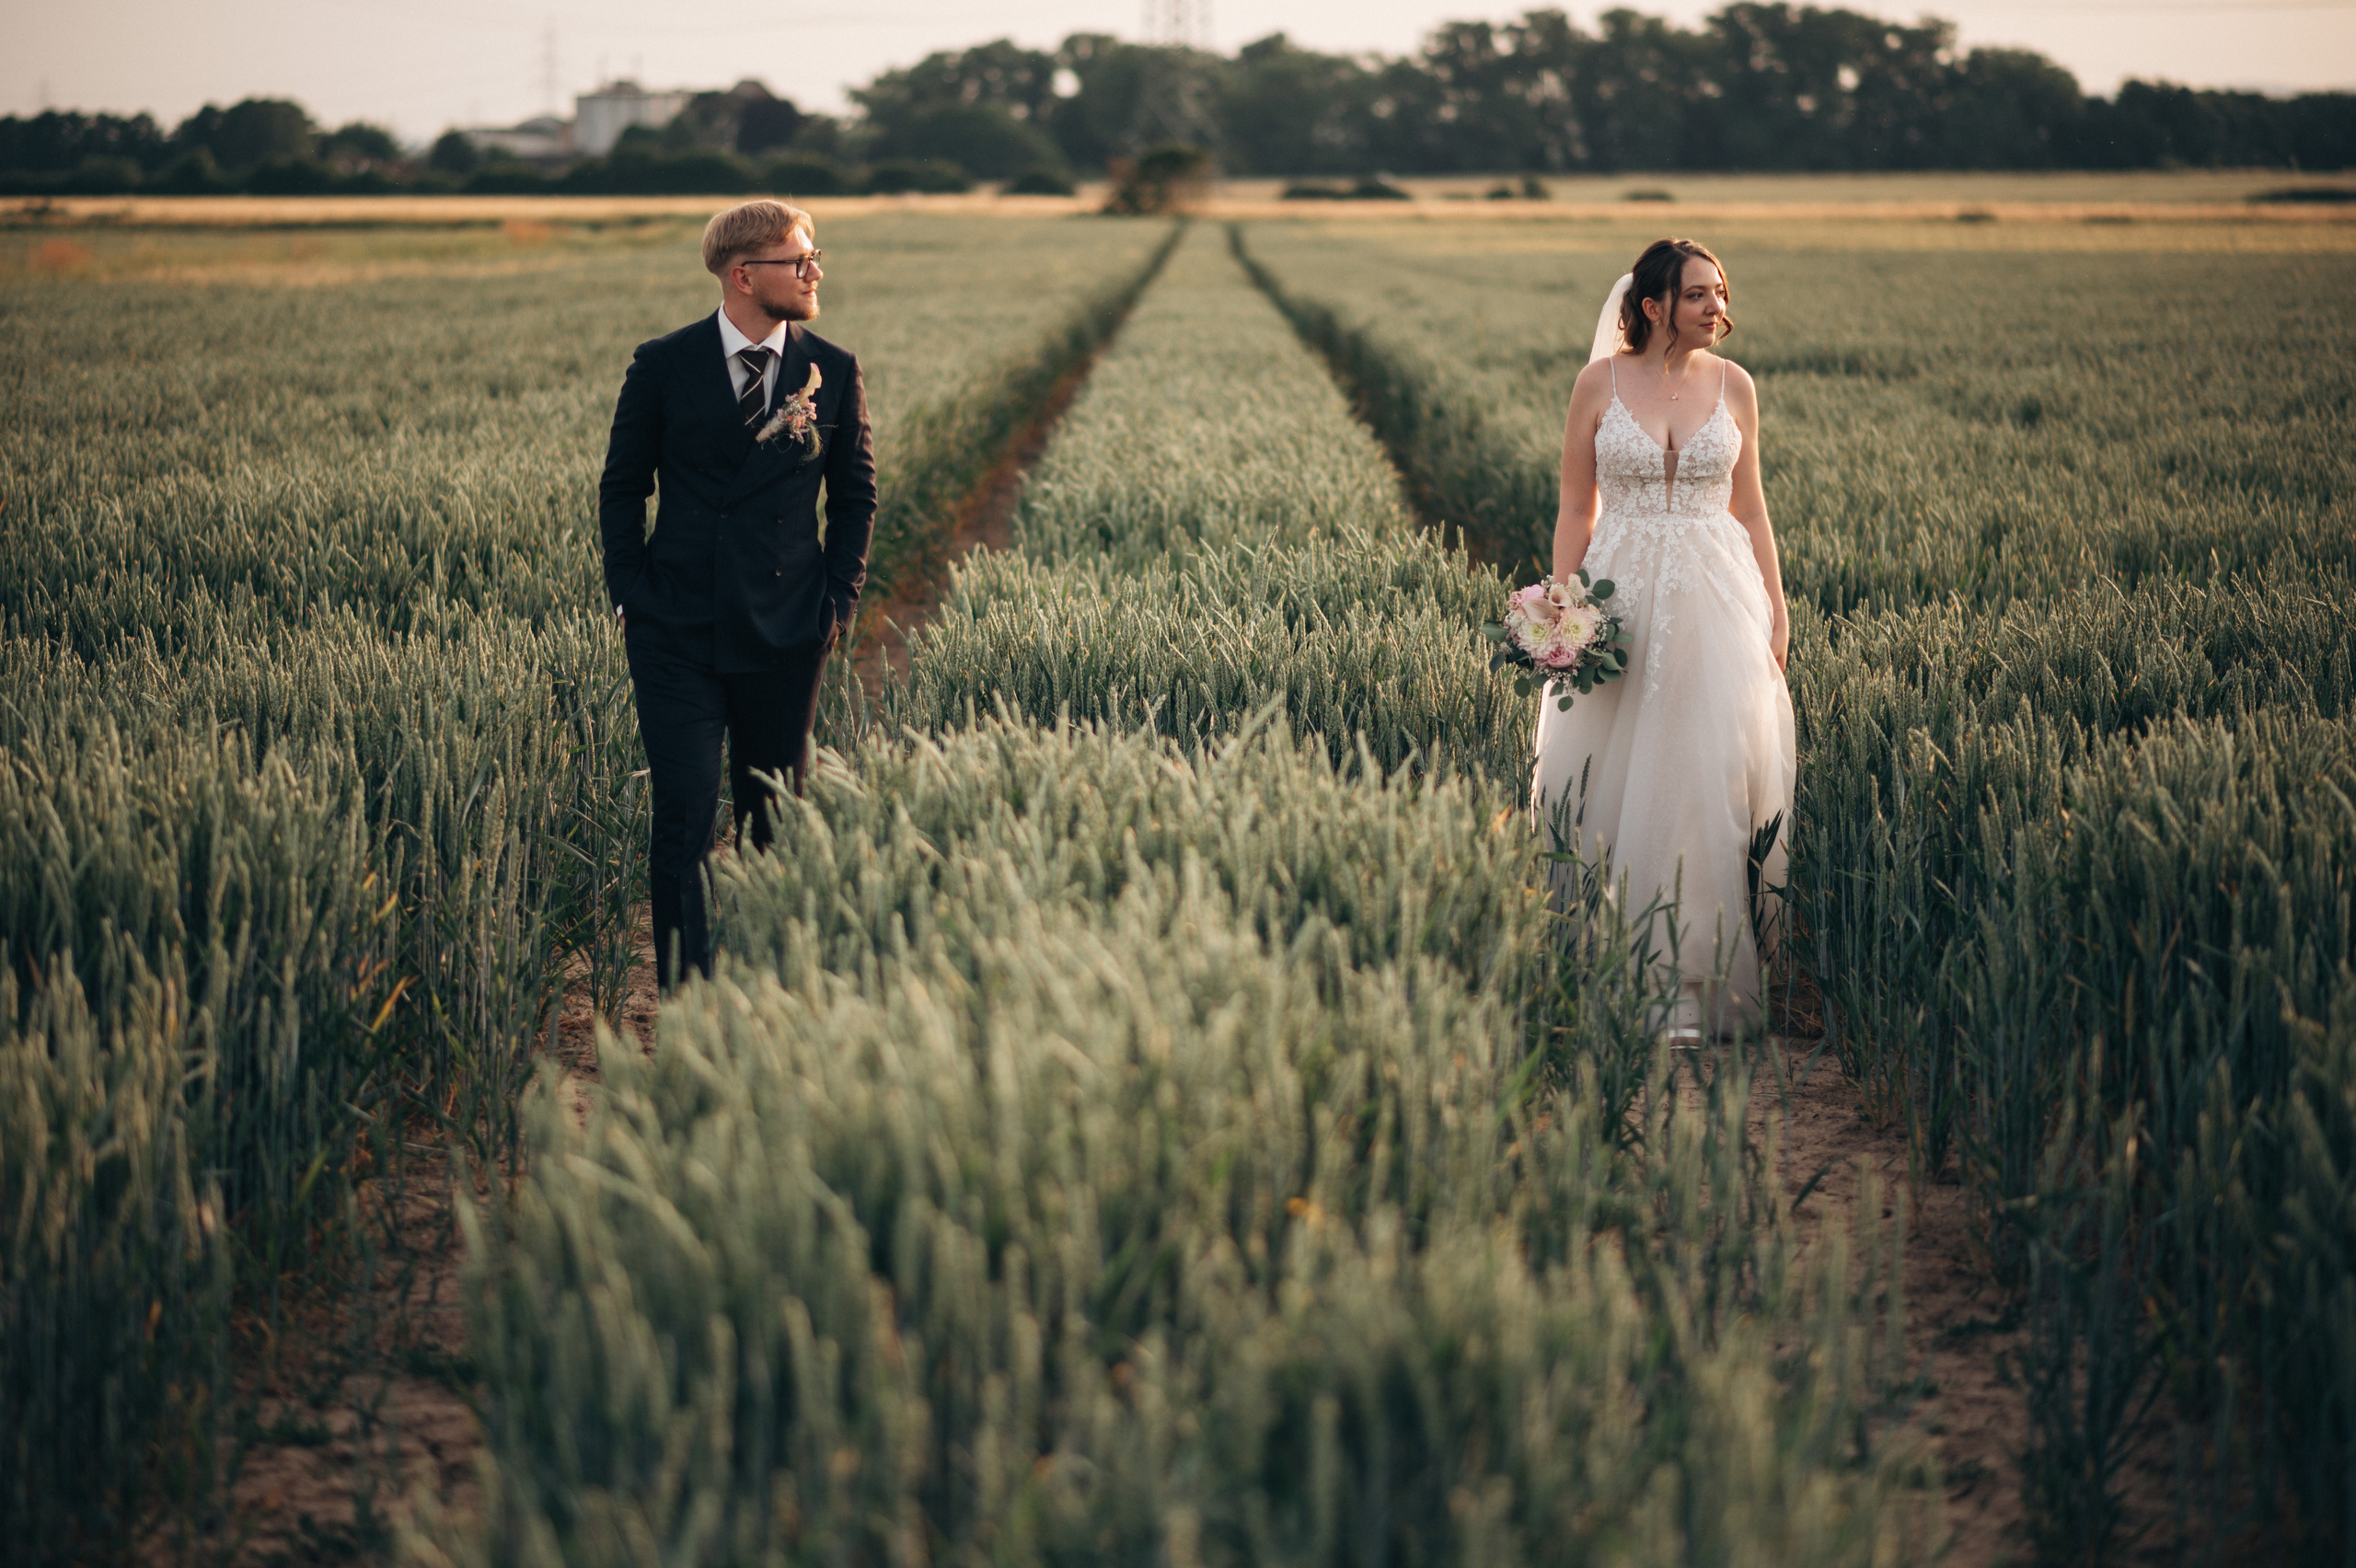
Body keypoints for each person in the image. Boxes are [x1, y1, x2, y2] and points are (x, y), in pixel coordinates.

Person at [599, 199, 876, 988]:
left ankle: (761, 988)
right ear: (744, 274)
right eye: (801, 260)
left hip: (787, 630)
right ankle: (688, 997)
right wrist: (630, 594)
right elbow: (623, 489)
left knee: (772, 820)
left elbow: (855, 497)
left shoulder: (835, 368)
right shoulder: (663, 363)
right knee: (682, 820)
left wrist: (838, 605)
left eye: (815, 256)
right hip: (674, 628)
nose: (816, 271)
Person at [1530, 237, 1796, 1040]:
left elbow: (1750, 509)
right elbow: (1578, 508)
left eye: (1719, 293)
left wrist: (1778, 610)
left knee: (1704, 780)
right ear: (1652, 308)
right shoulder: (1597, 384)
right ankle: (1624, 967)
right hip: (1622, 593)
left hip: (1719, 599)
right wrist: (1563, 612)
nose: (1719, 309)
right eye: (1698, 297)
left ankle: (1693, 979)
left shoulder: (1735, 385)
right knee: (1617, 777)